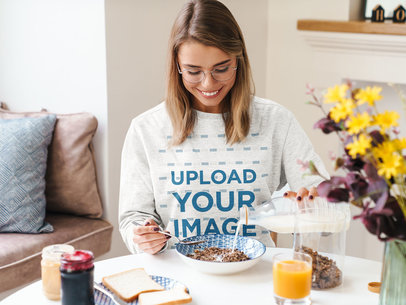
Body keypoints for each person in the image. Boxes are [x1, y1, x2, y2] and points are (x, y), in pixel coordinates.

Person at [119, 0, 329, 255]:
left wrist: (316, 204)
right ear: (177, 66)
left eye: (221, 69)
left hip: (257, 273)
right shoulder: (145, 129)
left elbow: (327, 208)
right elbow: (133, 217)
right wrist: (141, 235)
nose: (208, 83)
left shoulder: (276, 121)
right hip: (180, 274)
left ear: (238, 61)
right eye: (193, 71)